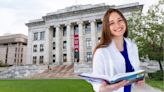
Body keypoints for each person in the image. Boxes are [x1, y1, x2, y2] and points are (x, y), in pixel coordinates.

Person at [92, 8, 144, 92]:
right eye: (112, 23)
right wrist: (104, 89)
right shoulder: (101, 52)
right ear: (107, 28)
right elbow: (97, 83)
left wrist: (140, 80)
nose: (117, 25)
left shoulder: (133, 47)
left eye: (120, 20)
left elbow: (137, 71)